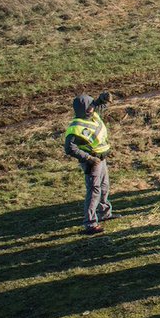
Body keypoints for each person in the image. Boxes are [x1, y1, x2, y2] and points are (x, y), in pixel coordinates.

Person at [64, 92, 114, 235]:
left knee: (104, 187)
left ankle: (105, 213)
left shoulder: (92, 115)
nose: (93, 107)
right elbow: (69, 148)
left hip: (101, 159)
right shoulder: (76, 127)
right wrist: (88, 158)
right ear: (84, 108)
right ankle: (90, 223)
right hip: (92, 162)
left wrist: (102, 98)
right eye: (90, 105)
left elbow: (98, 104)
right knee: (94, 191)